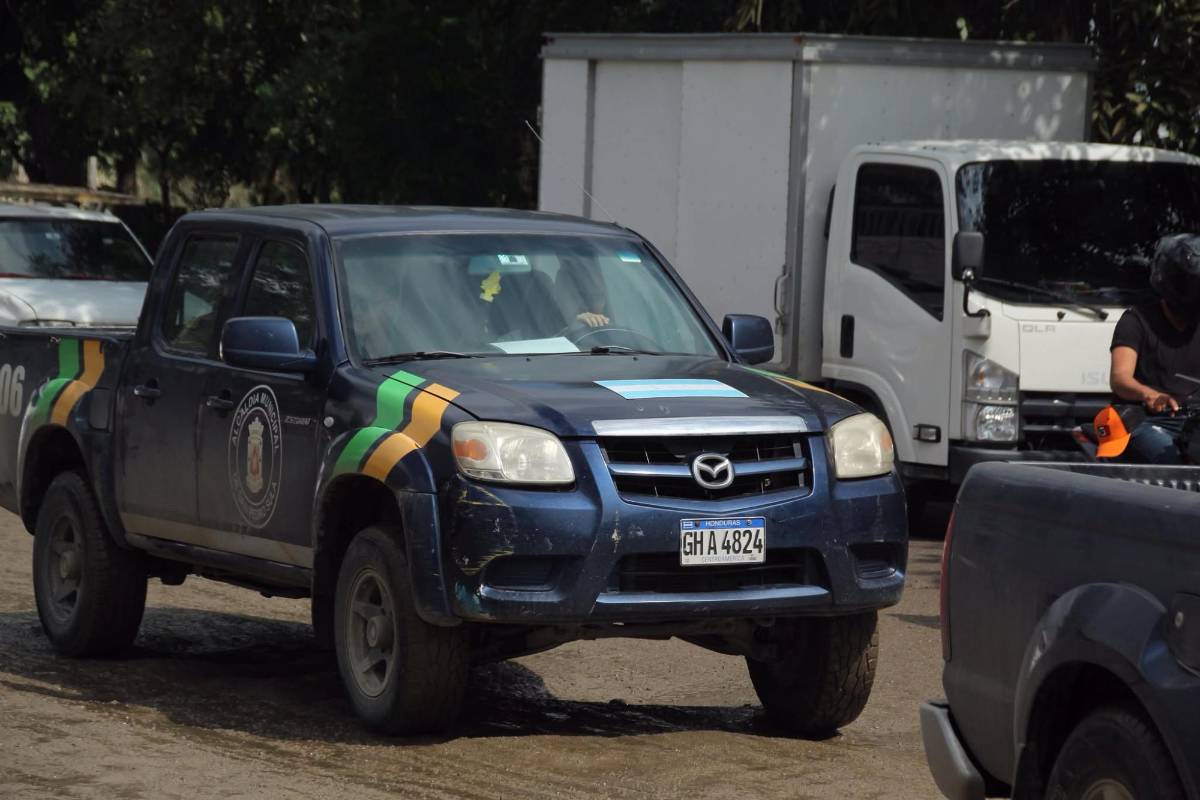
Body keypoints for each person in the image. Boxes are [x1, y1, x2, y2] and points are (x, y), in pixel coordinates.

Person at [1109, 233, 1200, 463]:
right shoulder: (1136, 320)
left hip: (1191, 422)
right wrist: (1149, 394)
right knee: (1167, 457)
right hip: (1144, 421)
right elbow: (1120, 378)